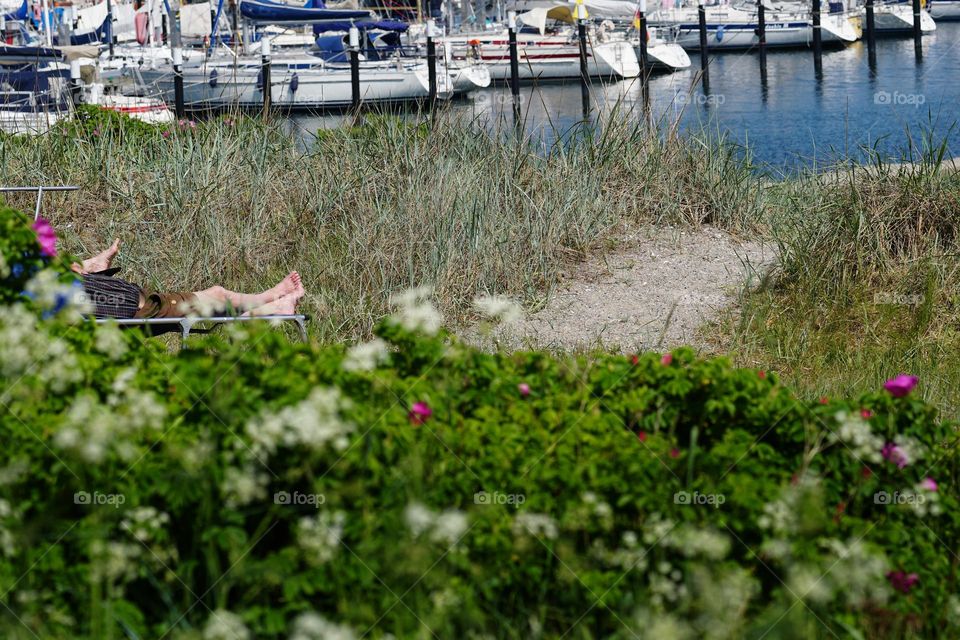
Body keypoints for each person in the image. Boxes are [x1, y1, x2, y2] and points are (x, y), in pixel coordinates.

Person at [72, 239, 305, 319]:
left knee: (214, 299)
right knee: (217, 295)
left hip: (127, 305)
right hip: (141, 309)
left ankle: (269, 304)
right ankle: (272, 304)